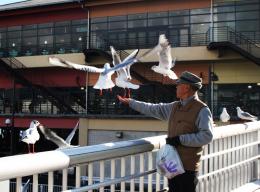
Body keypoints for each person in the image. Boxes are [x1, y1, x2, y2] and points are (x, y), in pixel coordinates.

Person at [117, 71, 213, 192]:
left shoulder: (202, 109)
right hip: (172, 164)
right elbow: (152, 108)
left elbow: (207, 136)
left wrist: (180, 139)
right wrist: (131, 102)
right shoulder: (175, 106)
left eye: (179, 84)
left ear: (187, 87)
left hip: (187, 168)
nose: (176, 87)